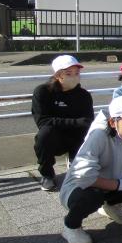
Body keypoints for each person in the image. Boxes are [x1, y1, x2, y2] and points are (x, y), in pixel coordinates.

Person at [59, 96, 122, 243]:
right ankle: (70, 226)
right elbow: (85, 176)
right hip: (79, 188)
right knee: (90, 197)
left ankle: (111, 206)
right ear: (113, 122)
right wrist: (120, 185)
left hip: (111, 183)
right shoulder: (99, 135)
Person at [32, 55, 94, 191]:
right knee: (44, 134)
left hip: (76, 137)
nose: (75, 77)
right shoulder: (43, 92)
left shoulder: (83, 95)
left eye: (77, 73)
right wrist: (76, 122)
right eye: (69, 73)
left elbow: (88, 121)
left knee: (91, 132)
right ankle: (47, 174)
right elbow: (43, 121)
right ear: (58, 75)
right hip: (54, 137)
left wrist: (79, 124)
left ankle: (75, 161)